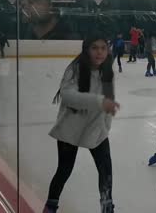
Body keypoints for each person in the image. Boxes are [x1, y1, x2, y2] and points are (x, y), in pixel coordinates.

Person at [45, 35, 119, 213]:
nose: (100, 52)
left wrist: (105, 126)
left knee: (106, 172)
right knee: (64, 170)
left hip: (96, 129)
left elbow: (109, 101)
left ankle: (107, 208)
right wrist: (99, 102)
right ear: (86, 49)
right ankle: (50, 207)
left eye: (103, 47)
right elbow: (68, 95)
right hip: (70, 128)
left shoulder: (108, 70)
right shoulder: (75, 69)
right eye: (94, 48)